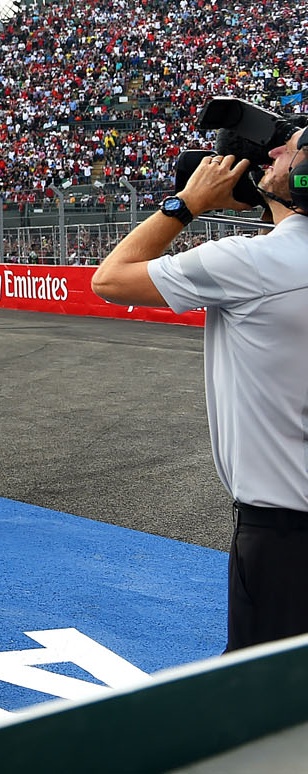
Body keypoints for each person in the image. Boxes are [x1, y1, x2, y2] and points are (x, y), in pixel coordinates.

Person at [92, 139, 308, 652]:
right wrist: (270, 202)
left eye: (290, 148)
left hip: (284, 530)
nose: (273, 151)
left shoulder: (255, 262)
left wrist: (187, 203)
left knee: (267, 697)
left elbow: (110, 279)